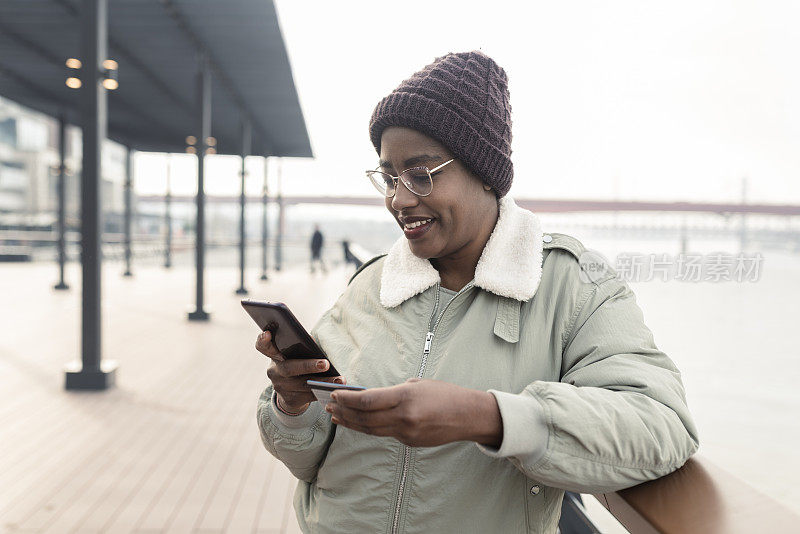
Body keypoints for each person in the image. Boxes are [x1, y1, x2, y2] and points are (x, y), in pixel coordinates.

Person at [256, 51, 699, 533]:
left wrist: (490, 417)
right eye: (388, 176)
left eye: (421, 174)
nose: (399, 199)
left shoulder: (572, 285)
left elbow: (662, 426)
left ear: (486, 173)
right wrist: (293, 406)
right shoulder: (371, 283)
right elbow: (306, 460)